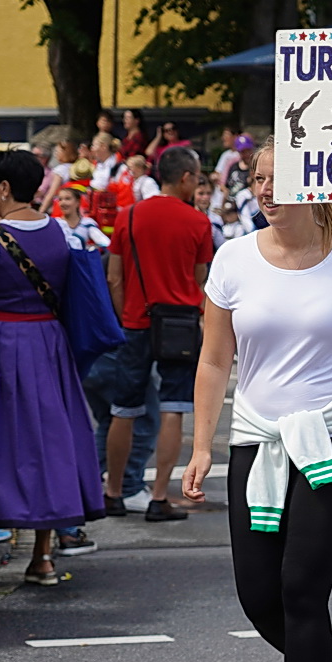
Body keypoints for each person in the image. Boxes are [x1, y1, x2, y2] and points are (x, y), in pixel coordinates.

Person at [180, 137, 332, 662]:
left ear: (317, 186)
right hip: (257, 440)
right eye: (257, 178)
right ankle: (320, 661)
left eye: (278, 179)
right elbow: (214, 360)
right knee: (256, 592)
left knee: (300, 589)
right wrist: (202, 447)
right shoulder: (235, 258)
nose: (264, 190)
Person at [0, 150, 103, 588]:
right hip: (48, 342)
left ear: (4, 188)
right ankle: (43, 557)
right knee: (47, 443)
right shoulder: (62, 234)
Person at [103, 147, 214, 520]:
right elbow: (201, 281)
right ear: (185, 177)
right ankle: (159, 497)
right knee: (174, 408)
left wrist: (127, 316)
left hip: (136, 320)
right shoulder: (198, 223)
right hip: (180, 324)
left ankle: (114, 491)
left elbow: (114, 276)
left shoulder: (128, 216)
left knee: (124, 409)